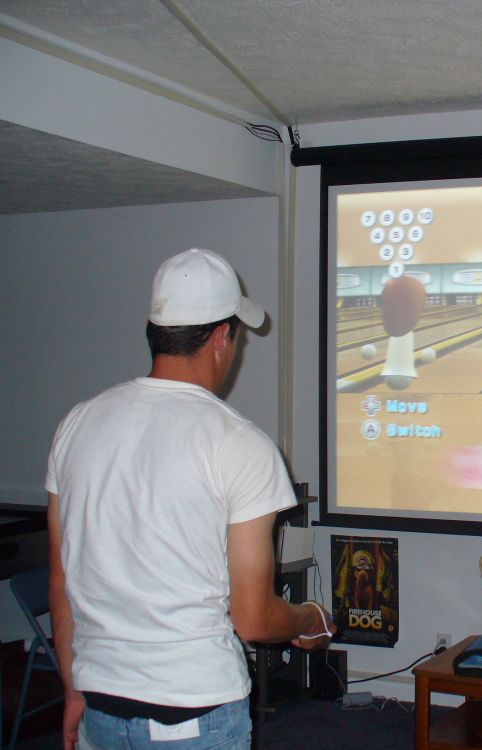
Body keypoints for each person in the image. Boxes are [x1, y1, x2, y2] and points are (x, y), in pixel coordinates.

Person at [46, 248, 335, 750]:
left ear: (153, 329)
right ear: (222, 337)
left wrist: (72, 689)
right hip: (194, 712)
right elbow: (253, 618)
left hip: (100, 703)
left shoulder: (77, 423)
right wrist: (310, 618)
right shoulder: (240, 443)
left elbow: (62, 583)